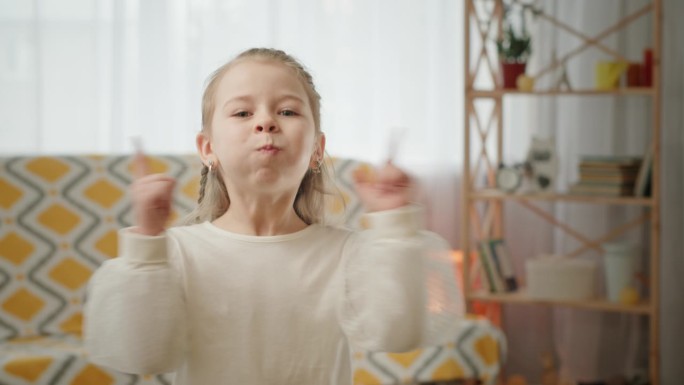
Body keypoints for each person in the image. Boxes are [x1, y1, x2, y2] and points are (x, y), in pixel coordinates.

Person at [84, 47, 463, 385]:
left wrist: (394, 225)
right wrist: (147, 240)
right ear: (207, 148)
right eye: (243, 112)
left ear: (317, 148)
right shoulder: (174, 254)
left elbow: (398, 333)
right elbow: (140, 355)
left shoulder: (347, 253)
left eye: (287, 111)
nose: (265, 123)